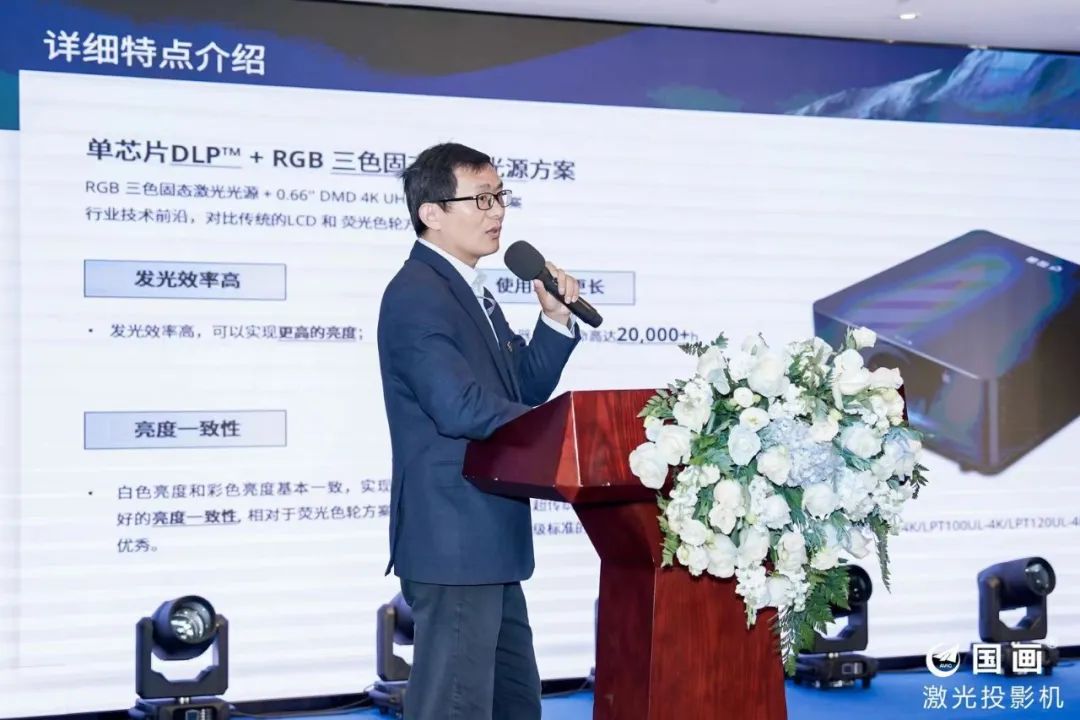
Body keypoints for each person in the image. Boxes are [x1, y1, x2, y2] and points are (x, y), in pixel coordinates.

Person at [376, 142, 581, 720]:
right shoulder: (417, 294)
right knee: (456, 707)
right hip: (454, 541)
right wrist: (566, 429)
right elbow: (460, 407)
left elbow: (520, 388)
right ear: (432, 213)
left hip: (487, 541)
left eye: (500, 197)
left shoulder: (468, 289)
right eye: (482, 199)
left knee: (514, 702)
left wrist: (554, 319)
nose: (498, 212)